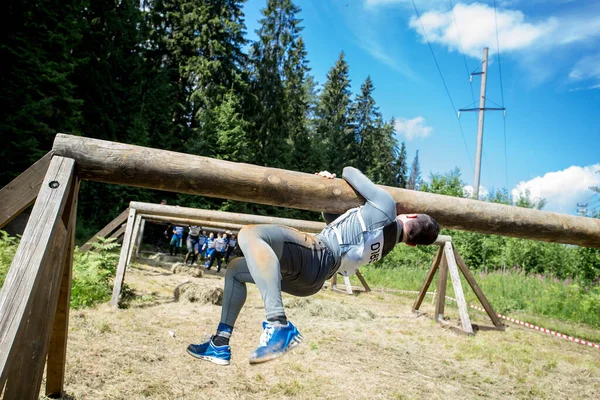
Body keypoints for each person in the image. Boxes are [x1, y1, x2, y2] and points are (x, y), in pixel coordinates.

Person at [187, 167, 440, 366]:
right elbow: (337, 223)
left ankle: (278, 325)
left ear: (412, 215)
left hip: (316, 254)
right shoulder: (385, 245)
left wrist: (335, 177)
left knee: (251, 235)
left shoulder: (387, 207)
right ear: (412, 245)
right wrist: (327, 192)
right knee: (235, 270)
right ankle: (220, 342)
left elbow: (349, 171)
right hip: (312, 281)